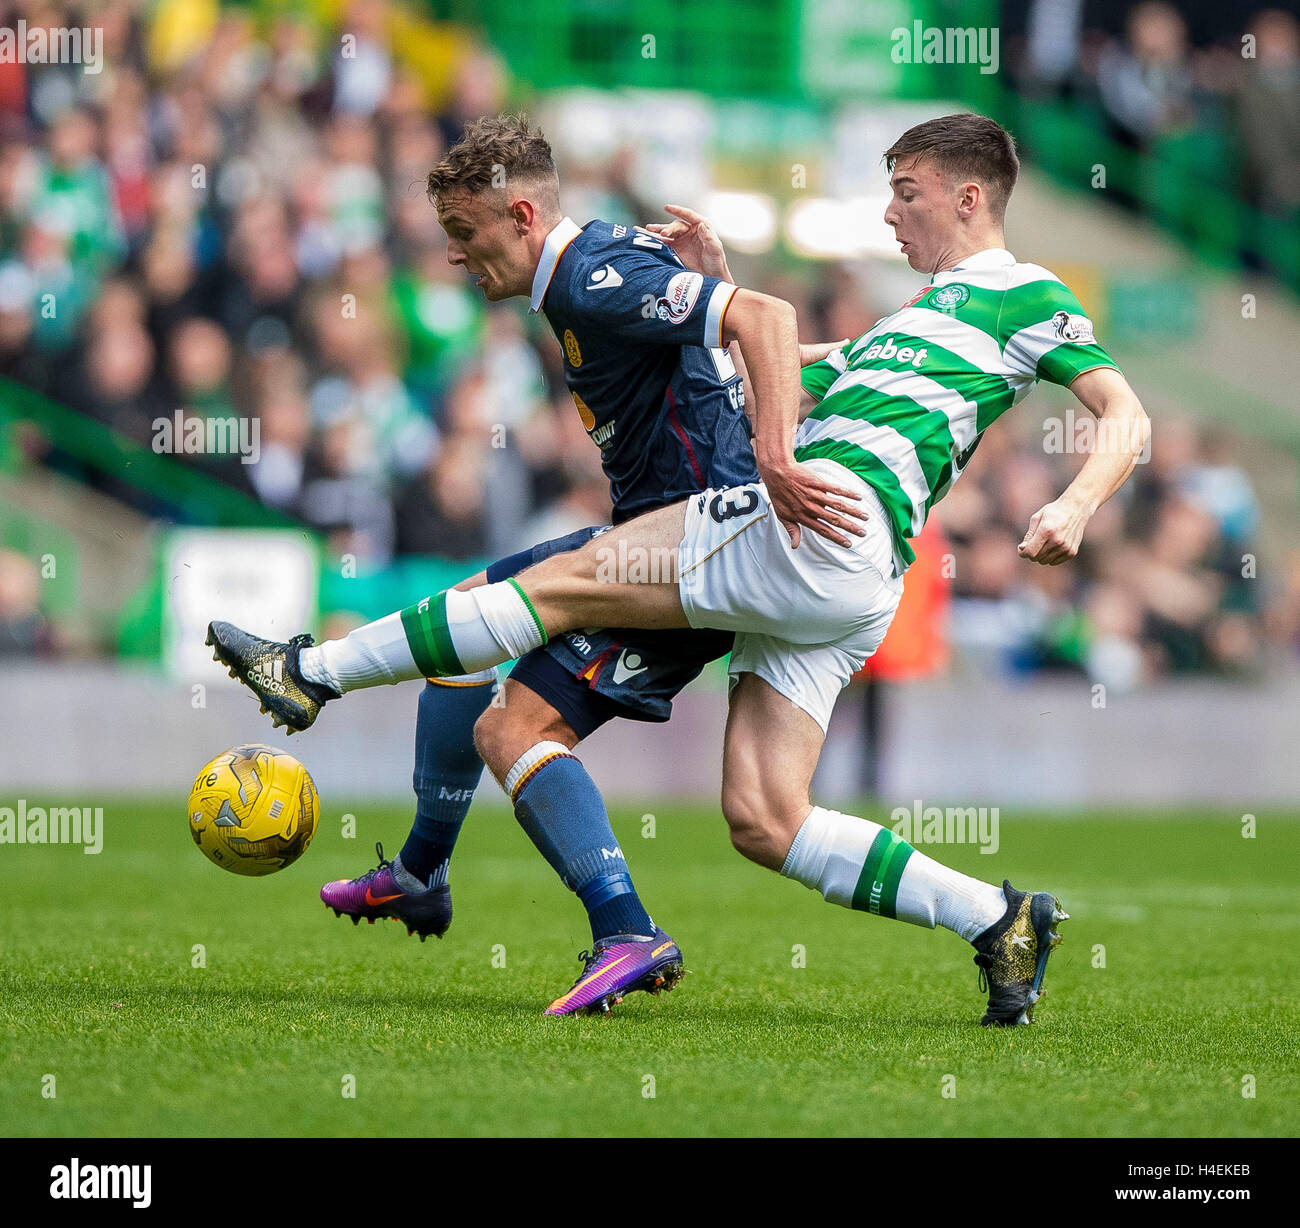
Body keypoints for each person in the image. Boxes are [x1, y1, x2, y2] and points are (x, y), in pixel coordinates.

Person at [211, 113, 1150, 1026]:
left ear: (969, 195)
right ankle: (999, 918)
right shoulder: (921, 315)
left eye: (905, 193)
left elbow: (1124, 415)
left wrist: (1072, 503)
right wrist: (722, 301)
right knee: (764, 818)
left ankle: (308, 674)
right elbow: (781, 359)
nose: (890, 214)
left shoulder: (1028, 294)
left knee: (542, 590)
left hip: (813, 527)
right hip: (851, 579)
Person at [259, 113, 854, 1015]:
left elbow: (767, 321)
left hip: (695, 553)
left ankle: (623, 928)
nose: (456, 257)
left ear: (524, 213)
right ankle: (421, 870)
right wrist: (717, 295)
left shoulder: (591, 276)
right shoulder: (591, 269)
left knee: (513, 729)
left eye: (466, 233)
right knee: (466, 620)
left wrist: (775, 458)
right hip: (658, 539)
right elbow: (728, 342)